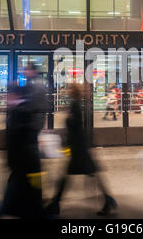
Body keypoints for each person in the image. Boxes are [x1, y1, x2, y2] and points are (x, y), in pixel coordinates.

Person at [46, 83, 117, 216]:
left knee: (68, 177)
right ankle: (108, 200)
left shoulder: (75, 105)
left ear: (73, 92)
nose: (67, 90)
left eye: (69, 89)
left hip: (79, 149)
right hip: (80, 148)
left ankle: (55, 204)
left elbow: (76, 127)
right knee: (90, 174)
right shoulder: (76, 104)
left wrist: (69, 122)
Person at [0, 62, 49, 219]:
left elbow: (34, 114)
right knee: (27, 182)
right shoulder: (23, 103)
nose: (23, 71)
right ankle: (33, 207)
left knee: (24, 183)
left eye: (26, 69)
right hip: (25, 152)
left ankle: (27, 207)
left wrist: (35, 133)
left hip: (25, 151)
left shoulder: (33, 90)